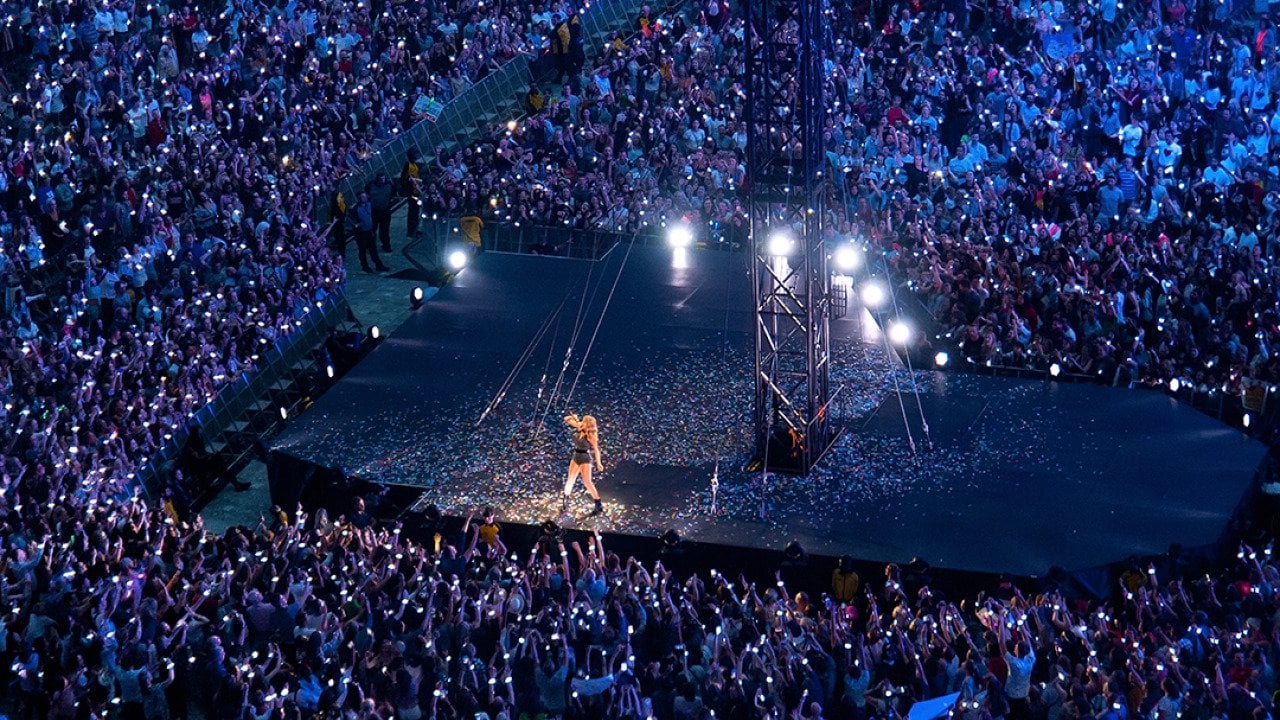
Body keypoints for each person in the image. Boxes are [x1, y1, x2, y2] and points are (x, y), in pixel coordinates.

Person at [563, 413, 603, 514]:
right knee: (570, 479)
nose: (582, 423)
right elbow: (566, 419)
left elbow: (596, 450)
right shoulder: (579, 425)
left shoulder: (591, 436)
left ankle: (598, 504)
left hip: (585, 457)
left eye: (584, 422)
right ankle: (565, 499)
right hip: (576, 455)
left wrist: (599, 463)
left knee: (587, 482)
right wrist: (574, 418)